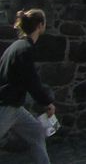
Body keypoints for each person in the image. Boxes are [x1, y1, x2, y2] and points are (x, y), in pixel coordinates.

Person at [0, 9, 56, 164]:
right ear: (40, 25)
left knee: (36, 133)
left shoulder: (17, 46)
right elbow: (32, 81)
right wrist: (46, 102)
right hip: (6, 105)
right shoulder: (25, 49)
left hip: (15, 106)